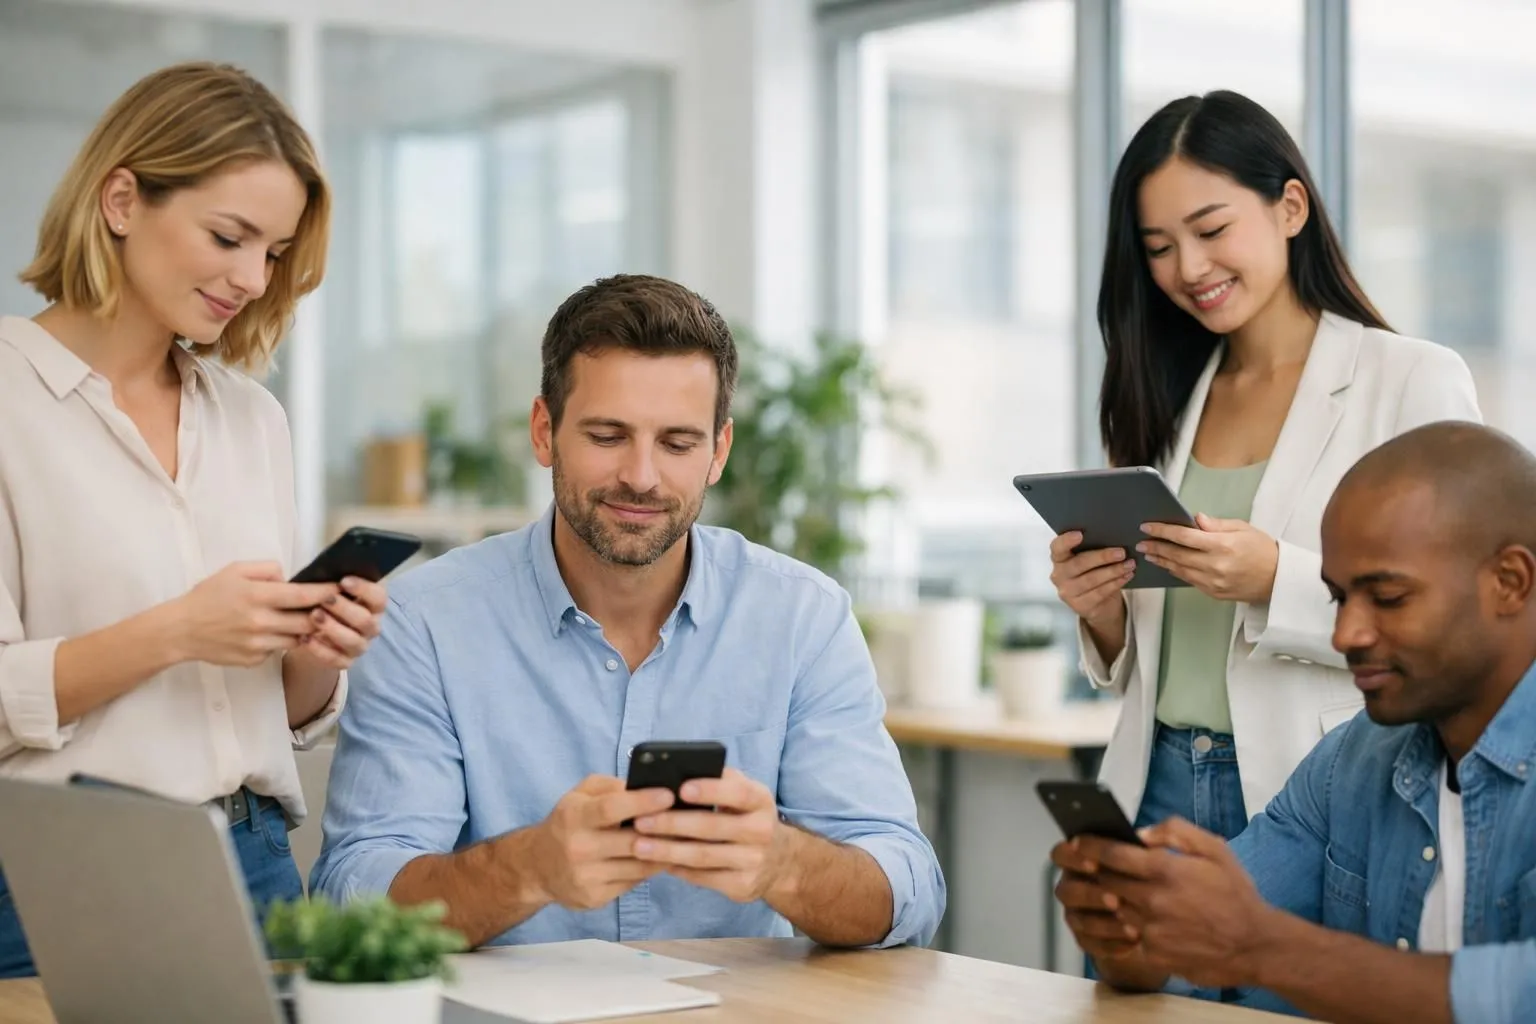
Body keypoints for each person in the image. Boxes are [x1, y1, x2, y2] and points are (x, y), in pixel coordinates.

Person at [310, 274, 944, 951]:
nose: (642, 475)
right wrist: (529, 869)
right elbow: (351, 897)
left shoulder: (802, 618)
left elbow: (907, 892)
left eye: (676, 443)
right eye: (608, 435)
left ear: (718, 452)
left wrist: (784, 864)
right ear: (544, 431)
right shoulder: (423, 623)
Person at [0, 63, 388, 978]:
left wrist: (314, 651)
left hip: (257, 864)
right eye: (229, 237)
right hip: (62, 876)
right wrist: (177, 631)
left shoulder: (253, 420)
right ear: (123, 199)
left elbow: (273, 709)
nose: (254, 278)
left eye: (274, 252)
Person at [1049, 90, 1481, 841]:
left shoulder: (1411, 379)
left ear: (1290, 207)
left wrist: (1274, 578)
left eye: (1211, 229)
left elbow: (1463, 618)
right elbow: (1149, 654)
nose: (1189, 267)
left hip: (1312, 785)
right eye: (1157, 247)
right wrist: (1102, 610)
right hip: (1152, 784)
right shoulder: (1166, 395)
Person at [1054, 421, 1536, 1023]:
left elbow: (1518, 998)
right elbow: (1185, 952)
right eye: (1337, 598)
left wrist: (1259, 946)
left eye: (1387, 597)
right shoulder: (1351, 762)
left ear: (1511, 583)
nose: (1345, 635)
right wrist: (1127, 928)